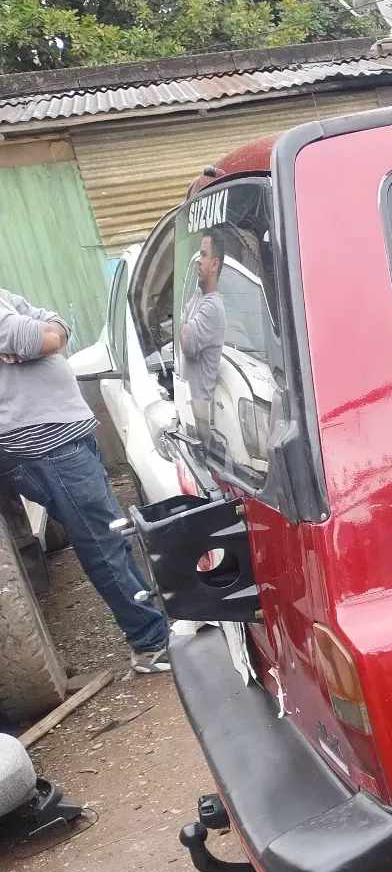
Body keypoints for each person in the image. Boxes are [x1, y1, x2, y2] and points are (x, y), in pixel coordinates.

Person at [0, 288, 170, 672]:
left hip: (62, 433)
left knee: (112, 535)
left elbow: (57, 325)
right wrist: (39, 338)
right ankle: (150, 644)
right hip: (44, 440)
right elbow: (40, 337)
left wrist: (44, 337)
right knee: (102, 542)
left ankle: (151, 627)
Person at [178, 228, 228, 443]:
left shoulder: (212, 308)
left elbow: (186, 341)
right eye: (199, 255)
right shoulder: (199, 296)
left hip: (199, 410)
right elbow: (181, 326)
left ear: (215, 264)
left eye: (204, 255)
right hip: (187, 403)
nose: (199, 260)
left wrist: (182, 324)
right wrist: (183, 324)